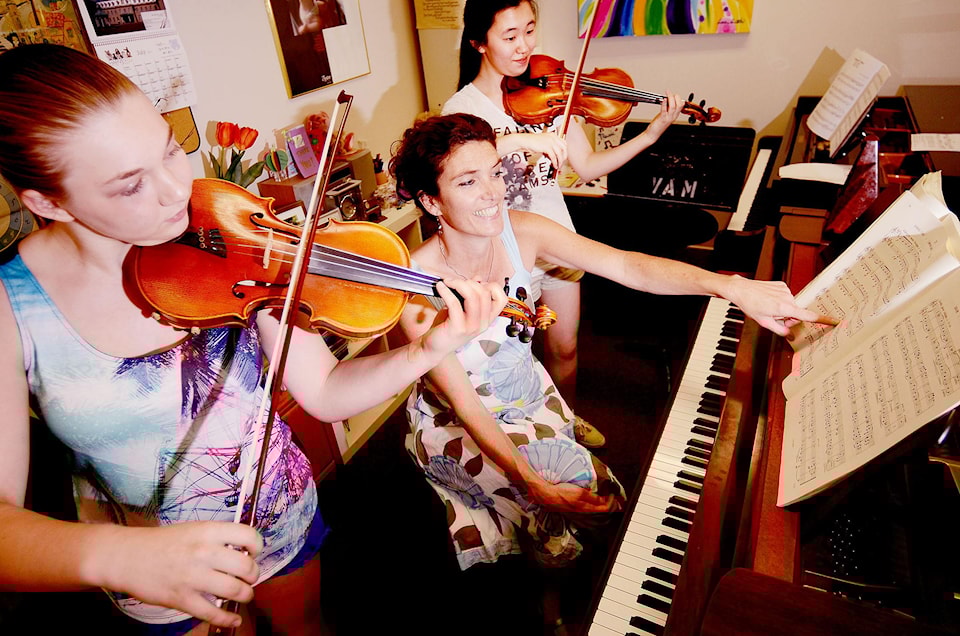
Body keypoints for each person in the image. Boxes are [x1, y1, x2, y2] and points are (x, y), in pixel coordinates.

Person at [0, 44, 506, 635]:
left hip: (283, 515)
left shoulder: (225, 230)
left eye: (170, 149)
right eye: (130, 185)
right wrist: (119, 557)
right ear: (47, 202)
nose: (176, 191)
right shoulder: (12, 307)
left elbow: (325, 391)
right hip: (151, 575)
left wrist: (426, 350)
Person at [388, 113, 829, 575]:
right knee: (554, 499)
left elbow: (625, 265)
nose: (492, 193)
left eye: (496, 173)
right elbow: (465, 404)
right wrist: (532, 482)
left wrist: (729, 286)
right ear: (431, 201)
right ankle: (546, 587)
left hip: (525, 391)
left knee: (597, 499)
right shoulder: (414, 284)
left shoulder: (523, 231)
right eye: (467, 182)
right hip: (459, 419)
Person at [443, 0, 685, 449]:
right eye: (509, 36)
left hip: (556, 243)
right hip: (502, 254)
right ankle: (516, 440)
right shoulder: (461, 109)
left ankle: (565, 425)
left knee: (565, 348)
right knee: (509, 360)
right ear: (479, 43)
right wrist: (521, 139)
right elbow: (459, 168)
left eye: (529, 30)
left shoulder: (550, 94)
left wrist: (651, 134)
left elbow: (588, 165)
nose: (524, 46)